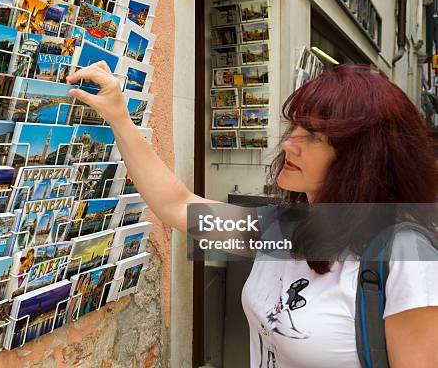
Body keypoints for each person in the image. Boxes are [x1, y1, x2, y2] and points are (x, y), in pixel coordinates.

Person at [66, 62, 438, 367]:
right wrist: (119, 117)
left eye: (314, 136)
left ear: (363, 158)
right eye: (295, 126)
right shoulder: (286, 226)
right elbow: (178, 206)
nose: (289, 143)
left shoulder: (406, 257)